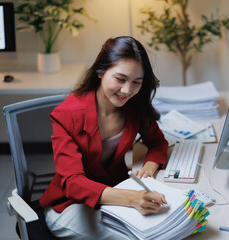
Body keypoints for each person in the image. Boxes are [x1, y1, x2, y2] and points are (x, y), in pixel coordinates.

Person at [39, 36, 169, 239]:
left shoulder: (134, 107)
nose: (127, 90)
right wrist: (132, 198)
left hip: (115, 198)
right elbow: (73, 182)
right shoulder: (67, 114)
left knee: (163, 228)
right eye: (120, 79)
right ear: (100, 71)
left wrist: (148, 170)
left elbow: (157, 142)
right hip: (70, 206)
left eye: (136, 82)